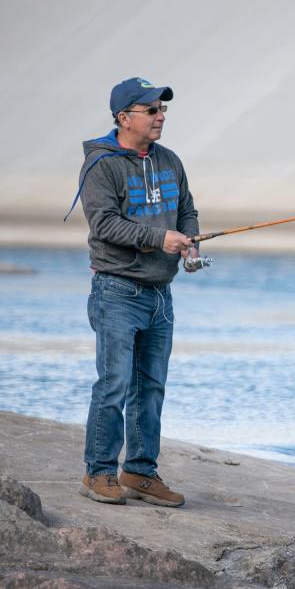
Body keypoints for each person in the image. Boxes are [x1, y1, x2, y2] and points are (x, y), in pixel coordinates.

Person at [75, 77, 199, 507]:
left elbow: (186, 209)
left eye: (162, 110)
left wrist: (190, 243)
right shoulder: (101, 166)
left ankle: (140, 472)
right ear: (124, 117)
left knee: (151, 387)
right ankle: (98, 474)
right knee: (114, 384)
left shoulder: (169, 161)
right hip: (116, 291)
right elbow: (104, 224)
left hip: (160, 295)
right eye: (151, 110)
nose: (161, 116)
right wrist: (159, 239)